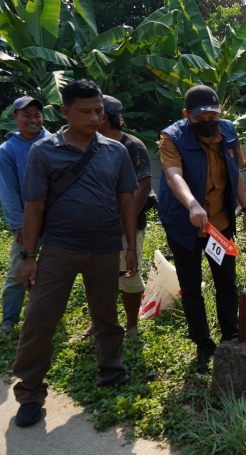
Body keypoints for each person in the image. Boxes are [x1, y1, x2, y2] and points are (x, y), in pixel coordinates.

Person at [12, 79, 139, 427]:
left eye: (99, 110)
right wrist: (28, 256)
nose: (95, 117)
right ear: (66, 112)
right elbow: (34, 207)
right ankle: (31, 392)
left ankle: (112, 373)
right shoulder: (44, 151)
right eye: (85, 111)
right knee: (40, 319)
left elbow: (127, 201)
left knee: (107, 318)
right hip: (59, 248)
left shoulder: (116, 152)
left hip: (104, 248)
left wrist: (131, 248)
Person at [158, 85, 246, 374]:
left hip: (220, 226)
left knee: (226, 283)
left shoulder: (228, 132)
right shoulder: (171, 137)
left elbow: (234, 174)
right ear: (187, 115)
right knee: (191, 288)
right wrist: (192, 205)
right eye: (200, 118)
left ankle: (229, 337)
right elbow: (173, 175)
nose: (208, 122)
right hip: (185, 226)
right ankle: (204, 346)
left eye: (213, 115)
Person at [81, 95, 152, 339]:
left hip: (127, 226)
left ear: (106, 117)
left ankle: (131, 324)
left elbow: (142, 189)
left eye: (96, 113)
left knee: (128, 276)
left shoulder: (132, 146)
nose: (90, 118)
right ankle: (100, 322)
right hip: (95, 225)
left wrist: (124, 224)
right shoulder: (88, 144)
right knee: (97, 278)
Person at [0, 97, 50, 338]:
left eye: (37, 115)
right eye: (26, 115)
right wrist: (18, 223)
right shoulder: (7, 151)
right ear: (15, 118)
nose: (33, 119)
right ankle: (9, 321)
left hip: (58, 221)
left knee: (53, 270)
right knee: (18, 270)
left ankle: (45, 317)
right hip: (28, 222)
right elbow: (8, 191)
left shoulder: (55, 141)